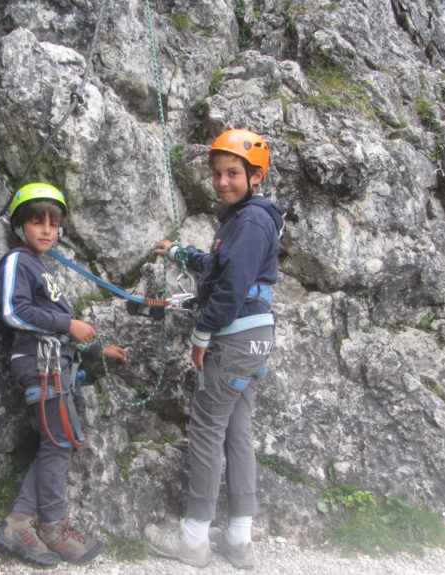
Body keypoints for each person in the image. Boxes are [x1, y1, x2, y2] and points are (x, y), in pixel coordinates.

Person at [145, 130, 284, 570]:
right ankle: (239, 540)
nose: (223, 182)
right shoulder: (249, 219)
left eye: (234, 174)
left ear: (256, 175)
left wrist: (202, 333)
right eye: (217, 174)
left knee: (207, 430)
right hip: (256, 336)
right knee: (237, 432)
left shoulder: (250, 221)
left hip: (233, 335)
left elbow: (230, 286)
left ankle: (193, 539)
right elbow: (223, 266)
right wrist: (183, 254)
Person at [0, 182, 129, 566]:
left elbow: (56, 328)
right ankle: (52, 524)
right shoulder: (17, 262)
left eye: (54, 223)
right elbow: (12, 312)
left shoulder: (43, 268)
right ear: (19, 226)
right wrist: (68, 324)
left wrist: (96, 350)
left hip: (55, 365)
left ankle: (20, 521)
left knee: (59, 442)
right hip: (39, 364)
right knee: (57, 443)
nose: (47, 230)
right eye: (37, 222)